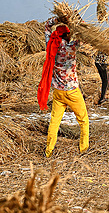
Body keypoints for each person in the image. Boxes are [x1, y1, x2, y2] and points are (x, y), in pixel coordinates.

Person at [38, 17, 89, 158]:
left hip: (58, 92)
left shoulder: (51, 45)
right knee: (83, 120)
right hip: (72, 91)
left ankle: (48, 151)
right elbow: (85, 32)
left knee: (54, 121)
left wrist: (57, 19)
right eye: (69, 33)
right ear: (66, 35)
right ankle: (84, 148)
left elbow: (47, 26)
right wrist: (77, 19)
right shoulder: (72, 46)